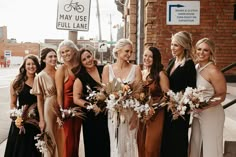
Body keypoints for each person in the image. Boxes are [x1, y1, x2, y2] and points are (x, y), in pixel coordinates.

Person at [102, 38, 142, 157]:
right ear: (118, 51)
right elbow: (105, 92)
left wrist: (135, 116)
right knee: (115, 143)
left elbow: (139, 94)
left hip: (130, 112)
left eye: (131, 52)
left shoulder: (136, 68)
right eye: (126, 51)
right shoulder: (107, 69)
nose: (129, 54)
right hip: (113, 113)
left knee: (129, 143)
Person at [161, 31, 196, 157]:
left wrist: (181, 106)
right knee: (167, 140)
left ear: (184, 46)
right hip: (168, 108)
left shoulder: (189, 64)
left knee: (178, 141)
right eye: (172, 44)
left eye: (176, 45)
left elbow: (191, 89)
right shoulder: (171, 61)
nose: (172, 48)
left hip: (180, 111)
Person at [189, 38, 226, 157]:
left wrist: (204, 106)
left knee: (211, 148)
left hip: (212, 113)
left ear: (211, 53)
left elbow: (221, 95)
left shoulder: (213, 71)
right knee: (194, 145)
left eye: (206, 50)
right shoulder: (196, 67)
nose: (201, 52)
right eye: (199, 49)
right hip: (197, 113)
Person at [73, 48, 110, 157]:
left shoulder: (103, 69)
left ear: (92, 56)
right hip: (92, 117)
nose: (88, 60)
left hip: (108, 113)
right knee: (94, 146)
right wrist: (91, 106)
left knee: (108, 144)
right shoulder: (80, 78)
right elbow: (76, 98)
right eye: (84, 59)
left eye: (89, 57)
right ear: (81, 63)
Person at [4, 55, 41, 157]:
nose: (31, 66)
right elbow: (13, 103)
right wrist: (17, 118)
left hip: (36, 122)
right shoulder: (17, 82)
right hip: (21, 121)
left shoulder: (40, 80)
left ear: (37, 66)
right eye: (28, 64)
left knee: (33, 151)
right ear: (24, 66)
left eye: (33, 64)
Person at [137, 46, 169, 157]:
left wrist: (153, 107)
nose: (147, 58)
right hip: (142, 113)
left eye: (151, 56)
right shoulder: (140, 73)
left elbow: (167, 97)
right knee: (140, 144)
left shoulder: (161, 74)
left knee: (151, 147)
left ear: (156, 59)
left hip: (156, 114)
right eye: (145, 55)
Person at [31, 48, 63, 157]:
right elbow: (39, 100)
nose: (53, 58)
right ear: (44, 59)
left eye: (55, 56)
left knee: (61, 136)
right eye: (50, 56)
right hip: (49, 108)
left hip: (62, 105)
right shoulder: (40, 76)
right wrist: (41, 120)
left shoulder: (60, 71)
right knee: (50, 136)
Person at [55, 40, 82, 157]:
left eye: (67, 51)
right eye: (62, 52)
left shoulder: (80, 66)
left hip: (79, 107)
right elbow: (59, 92)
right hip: (66, 108)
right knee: (67, 140)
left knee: (76, 138)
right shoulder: (61, 69)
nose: (65, 54)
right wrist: (60, 113)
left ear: (74, 51)